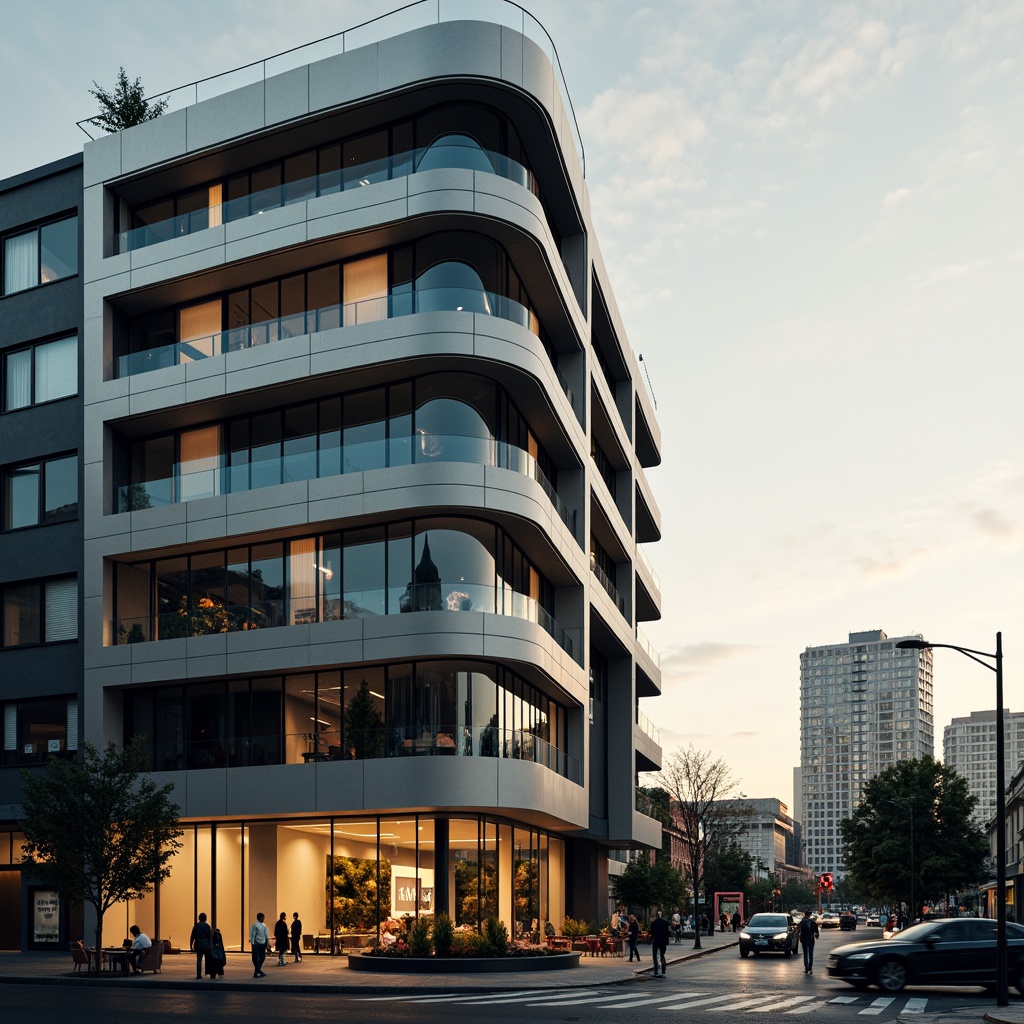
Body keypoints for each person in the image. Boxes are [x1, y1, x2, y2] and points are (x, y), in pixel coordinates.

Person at [190, 911, 212, 979]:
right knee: (208, 960)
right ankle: (210, 973)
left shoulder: (196, 926)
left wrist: (191, 945)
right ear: (205, 918)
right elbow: (209, 936)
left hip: (198, 944)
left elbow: (192, 936)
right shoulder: (207, 926)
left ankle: (199, 974)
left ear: (199, 918)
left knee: (199, 960)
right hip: (206, 944)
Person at [650, 908, 670, 978]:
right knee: (662, 955)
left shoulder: (654, 923)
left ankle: (656, 971)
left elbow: (652, 932)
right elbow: (668, 931)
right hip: (664, 941)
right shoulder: (665, 922)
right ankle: (663, 970)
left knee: (655, 956)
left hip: (656, 940)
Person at [798, 909, 819, 974]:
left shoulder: (802, 922)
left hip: (804, 940)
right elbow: (816, 932)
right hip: (811, 940)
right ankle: (810, 968)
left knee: (805, 954)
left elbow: (799, 929)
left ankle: (806, 968)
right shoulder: (812, 922)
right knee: (810, 954)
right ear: (809, 915)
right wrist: (816, 935)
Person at [249, 912, 269, 978]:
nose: (264, 919)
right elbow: (266, 935)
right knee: (261, 957)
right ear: (261, 918)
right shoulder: (258, 925)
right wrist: (267, 942)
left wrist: (252, 942)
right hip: (259, 943)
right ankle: (258, 970)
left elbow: (252, 934)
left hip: (257, 943)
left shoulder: (257, 925)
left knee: (257, 957)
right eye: (263, 917)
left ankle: (257, 971)